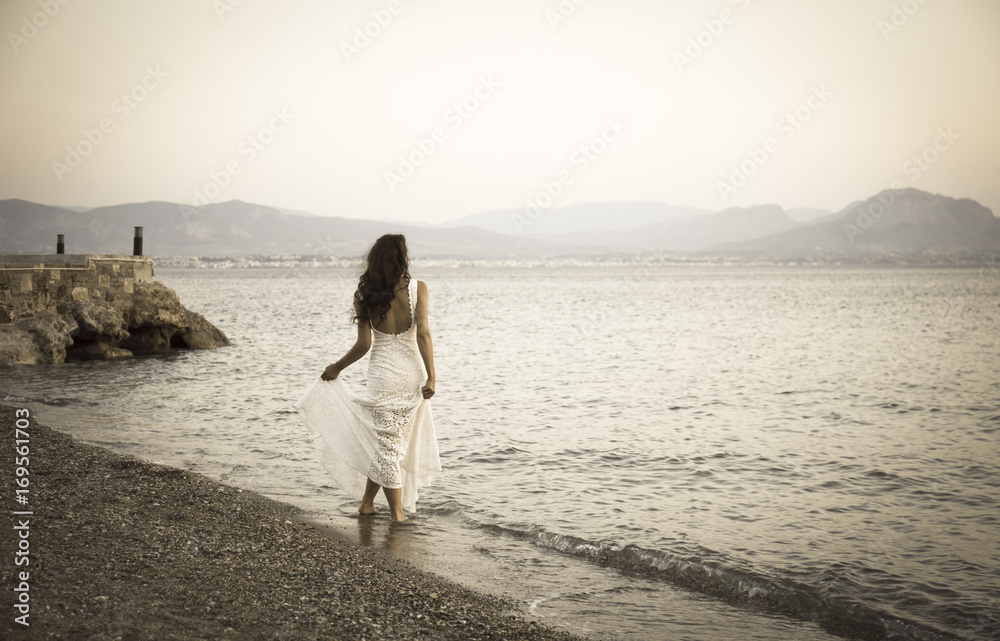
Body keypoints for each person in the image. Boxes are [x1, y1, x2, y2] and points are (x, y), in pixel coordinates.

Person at [294, 234, 440, 522]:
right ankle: (397, 513)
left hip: (382, 376)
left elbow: (364, 346)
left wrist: (337, 366)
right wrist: (432, 378)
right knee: (390, 444)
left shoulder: (365, 294)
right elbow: (423, 332)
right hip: (412, 374)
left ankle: (367, 504)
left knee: (387, 443)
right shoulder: (419, 288)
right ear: (402, 258)